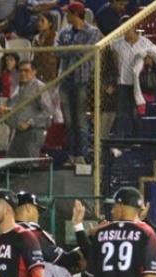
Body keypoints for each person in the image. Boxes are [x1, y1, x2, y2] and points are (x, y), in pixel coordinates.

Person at [56, 1, 101, 165]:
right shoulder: (64, 32)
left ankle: (82, 154)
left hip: (82, 79)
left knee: (81, 121)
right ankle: (72, 154)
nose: (66, 16)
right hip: (65, 80)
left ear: (76, 14)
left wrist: (68, 50)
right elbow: (57, 51)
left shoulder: (93, 32)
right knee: (68, 121)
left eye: (68, 13)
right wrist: (73, 50)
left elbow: (86, 51)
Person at [110, 27, 156, 138]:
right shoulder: (117, 43)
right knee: (121, 115)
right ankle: (119, 141)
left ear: (134, 29)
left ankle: (137, 140)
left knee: (136, 115)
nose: (125, 31)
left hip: (138, 85)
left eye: (128, 29)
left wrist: (151, 58)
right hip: (122, 83)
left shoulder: (145, 42)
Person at [1, 60, 52, 158]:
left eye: (26, 70)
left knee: (28, 163)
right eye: (20, 71)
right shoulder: (20, 88)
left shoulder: (39, 87)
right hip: (19, 131)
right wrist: (6, 112)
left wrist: (29, 122)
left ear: (34, 72)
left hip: (34, 131)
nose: (23, 73)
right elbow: (17, 110)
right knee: (11, 160)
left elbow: (48, 112)